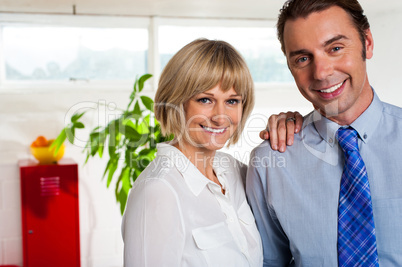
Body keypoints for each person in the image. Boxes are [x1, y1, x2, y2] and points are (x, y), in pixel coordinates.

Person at [246, 0, 402, 266]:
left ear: (368, 43)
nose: (321, 73)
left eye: (336, 48)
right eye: (303, 58)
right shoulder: (270, 163)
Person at [122, 38, 263, 266]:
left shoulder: (235, 171)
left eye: (232, 101)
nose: (220, 116)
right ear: (176, 103)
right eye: (205, 99)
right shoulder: (158, 191)